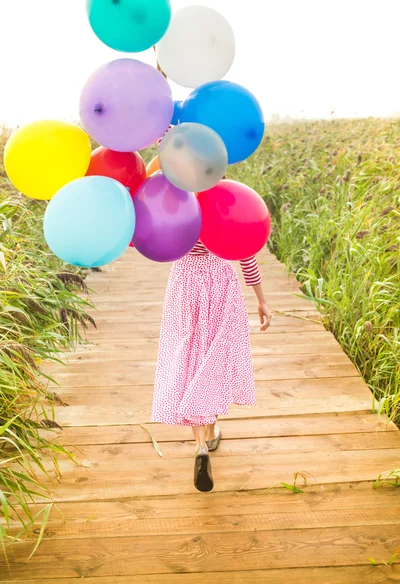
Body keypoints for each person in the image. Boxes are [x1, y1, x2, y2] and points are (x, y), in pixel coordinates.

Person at [151, 51, 272, 492]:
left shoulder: (173, 186)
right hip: (221, 280)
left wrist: (159, 82)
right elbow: (245, 250)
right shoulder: (223, 194)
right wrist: (260, 297)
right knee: (212, 357)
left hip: (185, 279)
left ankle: (201, 444)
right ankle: (211, 431)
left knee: (187, 355)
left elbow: (162, 133)